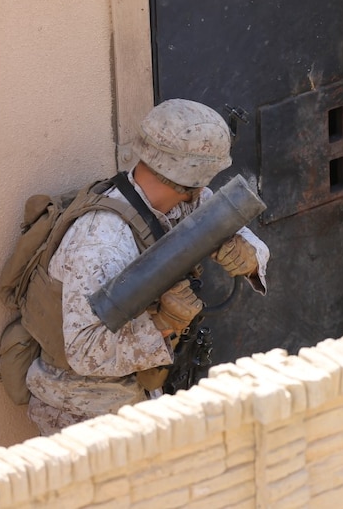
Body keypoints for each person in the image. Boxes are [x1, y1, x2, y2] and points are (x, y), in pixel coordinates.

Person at [25, 99, 270, 435]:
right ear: (193, 177)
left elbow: (229, 223)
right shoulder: (102, 240)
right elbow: (83, 351)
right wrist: (165, 325)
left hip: (139, 402)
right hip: (85, 416)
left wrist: (250, 254)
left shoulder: (184, 199)